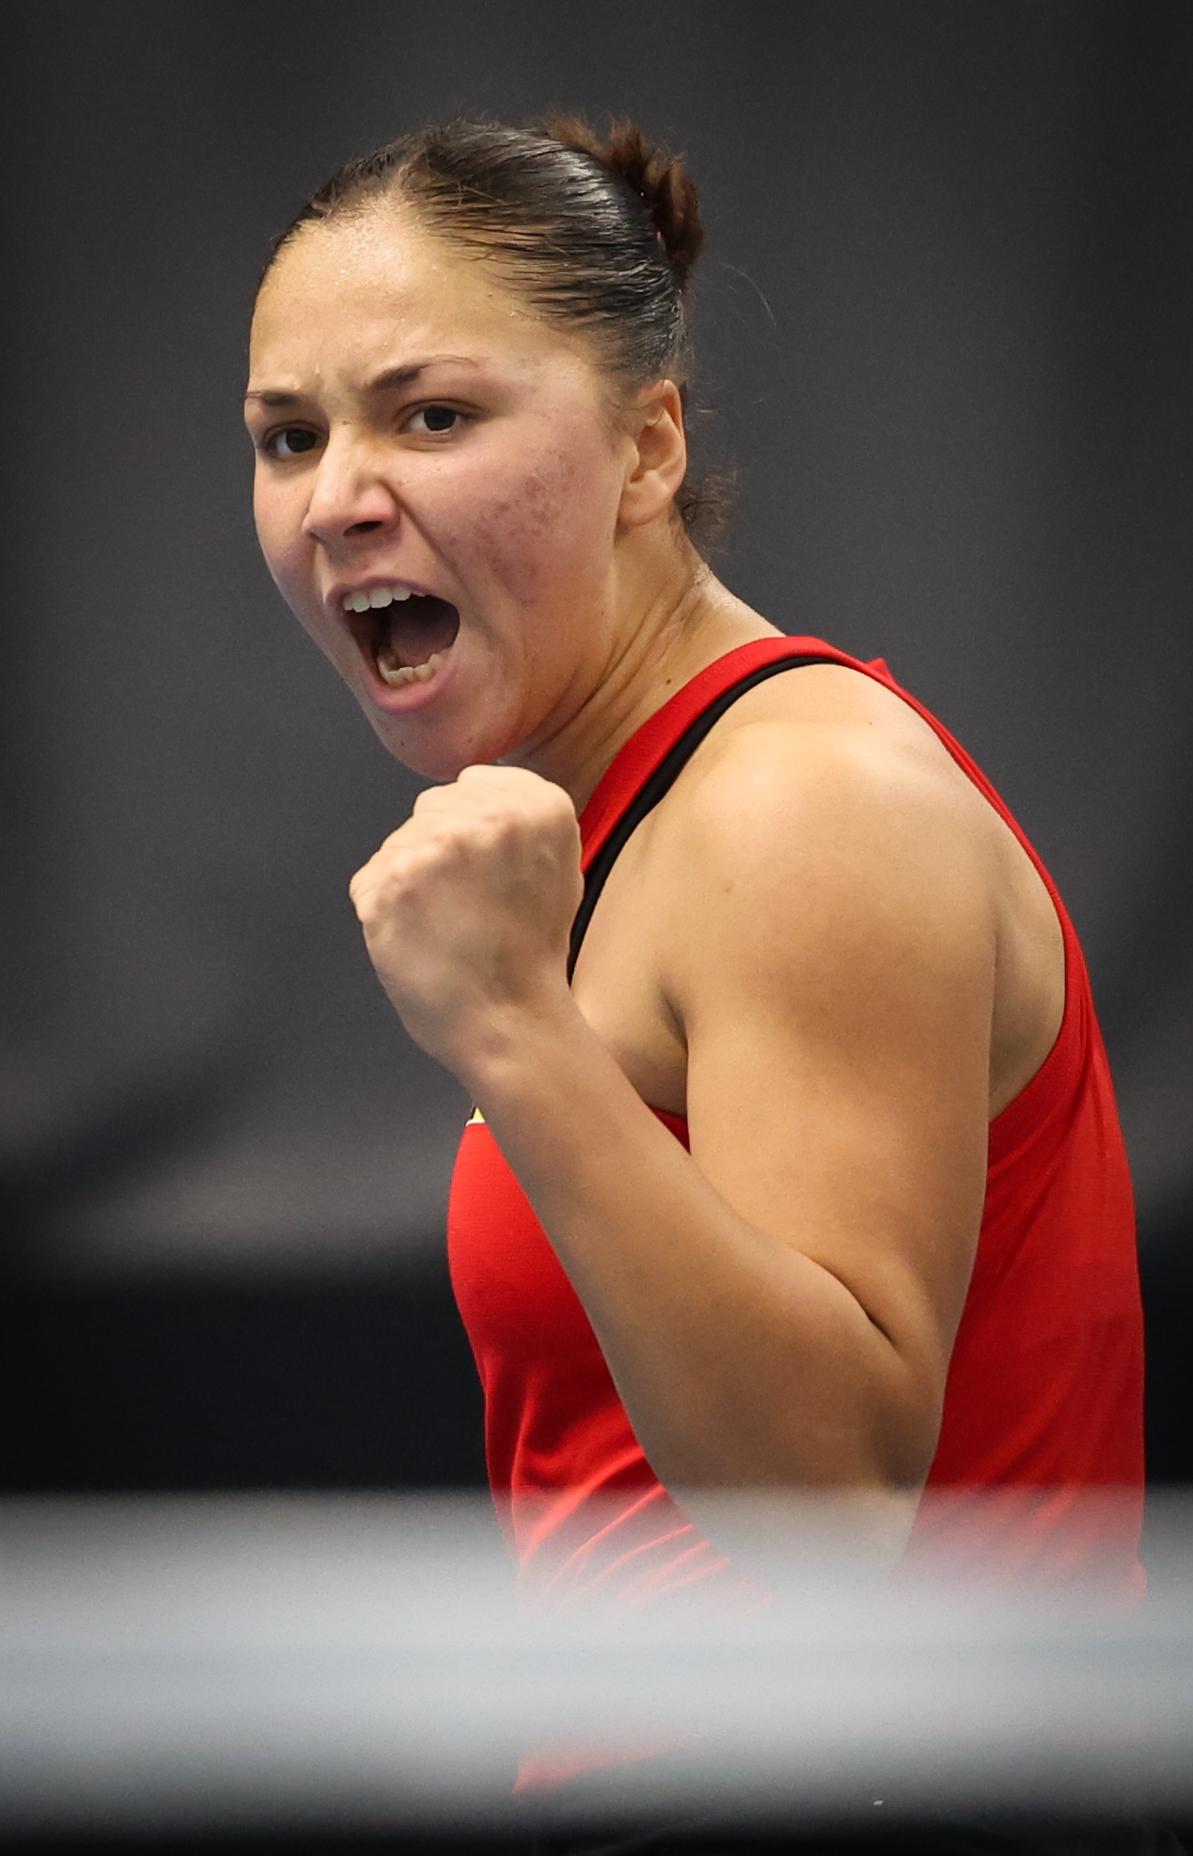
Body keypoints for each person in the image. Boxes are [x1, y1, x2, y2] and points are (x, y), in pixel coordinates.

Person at [244, 117, 1170, 1855]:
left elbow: (827, 1505)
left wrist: (512, 1032)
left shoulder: (799, 804)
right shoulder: (645, 816)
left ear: (646, 448)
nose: (336, 496)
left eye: (429, 415)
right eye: (288, 436)